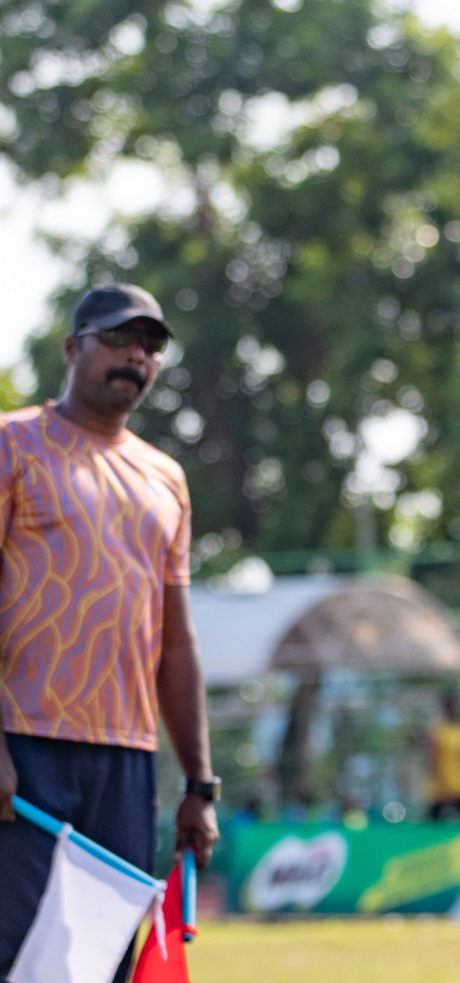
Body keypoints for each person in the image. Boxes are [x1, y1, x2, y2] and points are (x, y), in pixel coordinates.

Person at [0, 284, 220, 983]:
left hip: (125, 761)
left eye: (151, 347)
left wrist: (199, 784)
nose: (137, 357)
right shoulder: (13, 446)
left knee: (103, 964)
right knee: (15, 953)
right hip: (23, 746)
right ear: (72, 347)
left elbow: (177, 644)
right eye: (121, 339)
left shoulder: (166, 480)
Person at [426, 693, 460, 822]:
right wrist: (443, 786)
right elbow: (433, 760)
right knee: (432, 826)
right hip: (441, 787)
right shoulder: (438, 730)